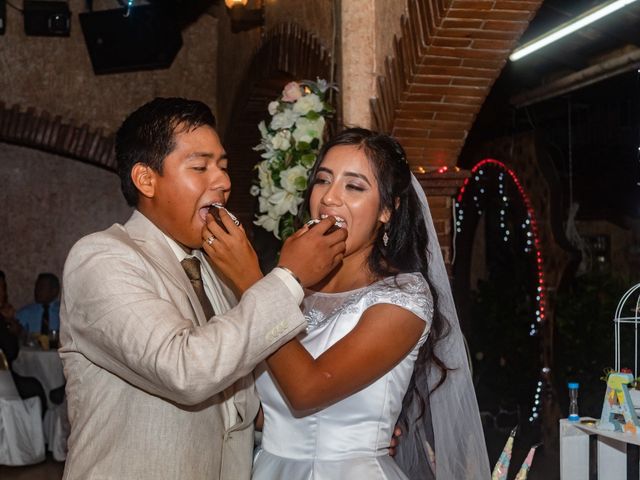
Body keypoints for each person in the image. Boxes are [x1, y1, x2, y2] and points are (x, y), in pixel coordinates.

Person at [59, 97, 346, 480]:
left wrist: (340, 436)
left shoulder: (215, 264)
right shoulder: (101, 258)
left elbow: (241, 395)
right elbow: (186, 371)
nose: (224, 182)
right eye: (200, 167)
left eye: (223, 167)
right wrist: (289, 277)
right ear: (146, 179)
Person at [205, 128, 490, 479]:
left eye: (354, 186)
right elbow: (262, 408)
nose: (329, 198)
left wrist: (251, 281)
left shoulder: (403, 297)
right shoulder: (289, 288)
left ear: (387, 209)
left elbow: (308, 390)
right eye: (323, 181)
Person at [0, 270, 48, 414]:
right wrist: (8, 323)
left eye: (4, 288)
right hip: (3, 383)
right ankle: (31, 434)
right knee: (36, 388)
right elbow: (10, 352)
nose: (2, 293)